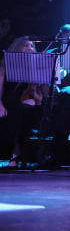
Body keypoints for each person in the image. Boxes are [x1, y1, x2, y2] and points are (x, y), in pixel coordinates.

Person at [0, 37, 47, 166]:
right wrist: (0, 105)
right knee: (17, 113)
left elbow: (42, 94)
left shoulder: (37, 66)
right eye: (25, 45)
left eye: (31, 46)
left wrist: (45, 77)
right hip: (7, 102)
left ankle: (15, 156)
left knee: (23, 111)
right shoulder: (6, 66)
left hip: (27, 103)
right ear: (17, 48)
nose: (29, 48)